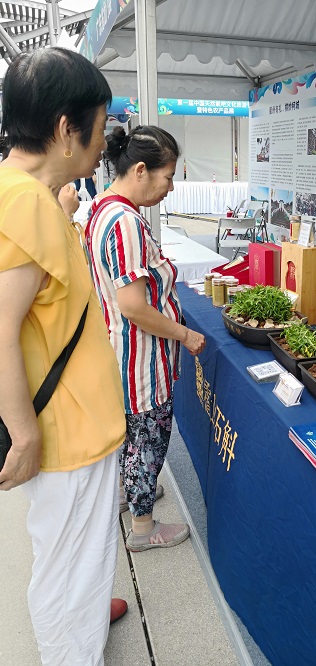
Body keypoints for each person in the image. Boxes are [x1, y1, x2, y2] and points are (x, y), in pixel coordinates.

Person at [0, 47, 128, 664]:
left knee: (76, 553)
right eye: (99, 129)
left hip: (74, 424)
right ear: (63, 129)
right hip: (66, 433)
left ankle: (86, 620)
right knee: (66, 566)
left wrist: (61, 209)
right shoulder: (24, 204)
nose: (103, 145)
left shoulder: (24, 194)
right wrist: (22, 433)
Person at [85, 125, 206, 552]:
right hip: (140, 362)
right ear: (141, 170)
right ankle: (143, 528)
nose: (170, 188)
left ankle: (130, 495)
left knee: (132, 438)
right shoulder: (126, 223)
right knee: (147, 440)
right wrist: (185, 334)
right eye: (168, 176)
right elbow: (134, 306)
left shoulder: (102, 208)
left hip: (122, 353)